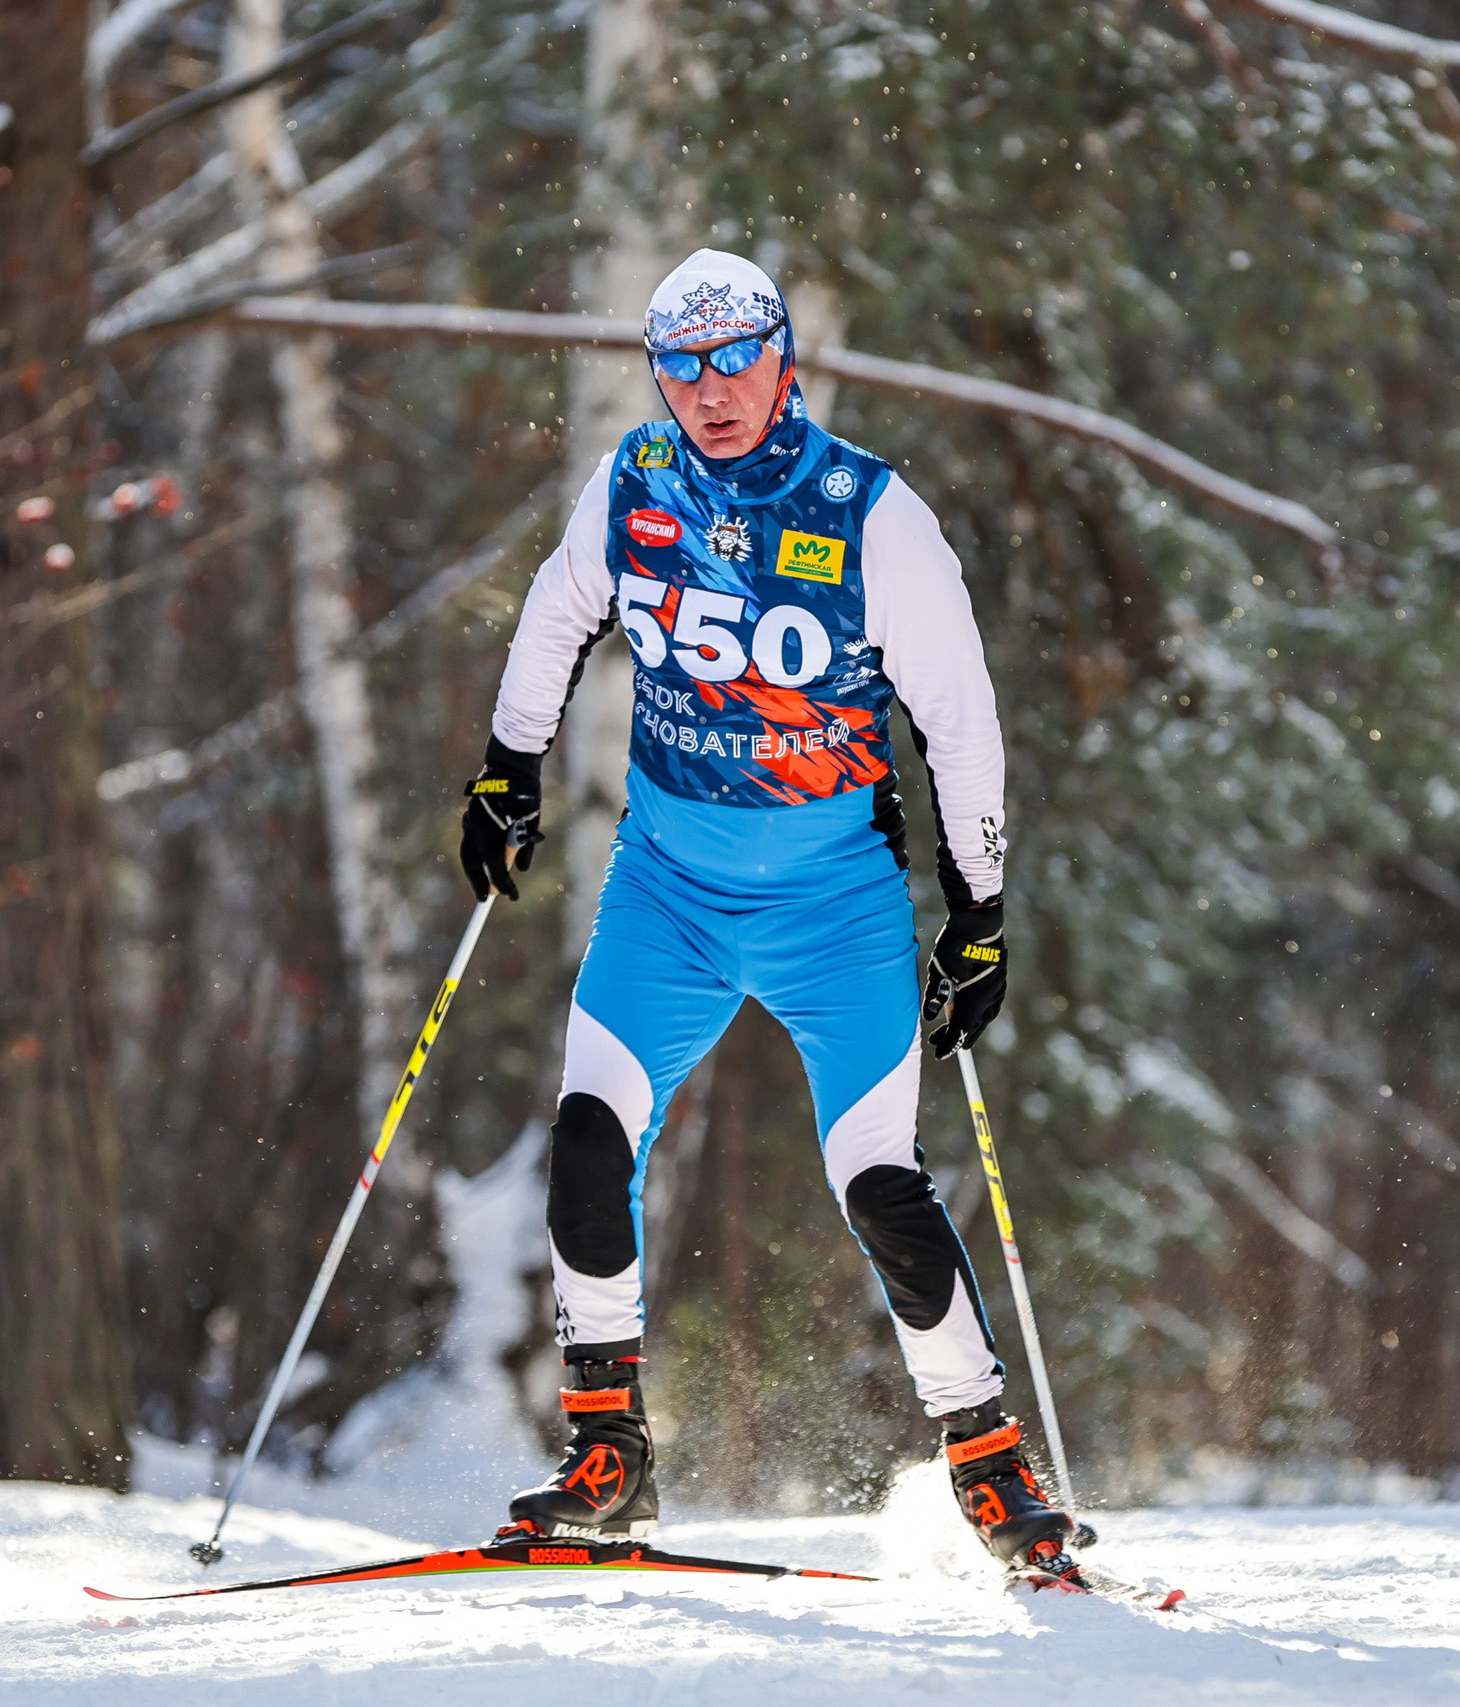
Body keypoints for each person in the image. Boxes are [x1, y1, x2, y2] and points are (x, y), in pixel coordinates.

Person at [459, 249, 1075, 1567]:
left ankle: (992, 1468)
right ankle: (610, 1450)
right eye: (681, 369)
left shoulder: (868, 510)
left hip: (833, 904)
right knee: (584, 1141)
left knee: (879, 1183)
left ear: (784, 360)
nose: (711, 392)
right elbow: (557, 614)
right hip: (667, 894)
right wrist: (508, 765)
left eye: (736, 361)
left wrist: (979, 915)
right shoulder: (636, 484)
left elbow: (958, 725)